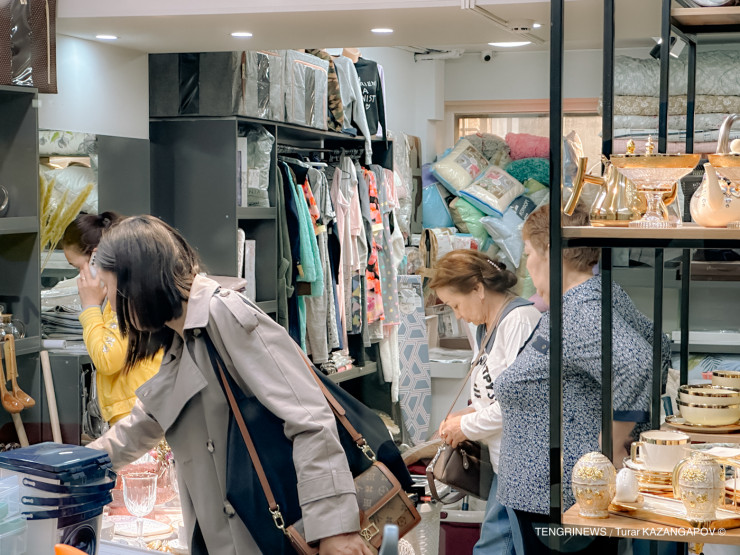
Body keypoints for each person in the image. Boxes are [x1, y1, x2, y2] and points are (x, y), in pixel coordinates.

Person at [88, 215, 371, 555]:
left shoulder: (223, 314)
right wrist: (70, 466)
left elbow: (309, 418)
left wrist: (336, 528)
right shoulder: (183, 338)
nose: (110, 304)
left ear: (136, 282)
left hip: (271, 534)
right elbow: (142, 425)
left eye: (110, 288)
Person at [493, 203, 665, 554]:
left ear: (549, 251)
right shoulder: (593, 296)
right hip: (552, 494)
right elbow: (657, 345)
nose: (527, 265)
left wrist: (612, 442)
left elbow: (637, 363)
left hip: (558, 499)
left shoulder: (580, 309)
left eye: (528, 253)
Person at [429, 250, 541, 555]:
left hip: (524, 468)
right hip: (506, 465)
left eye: (456, 305)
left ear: (478, 289)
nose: (458, 315)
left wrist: (465, 426)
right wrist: (462, 417)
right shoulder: (486, 327)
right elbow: (493, 397)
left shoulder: (520, 321)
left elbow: (520, 404)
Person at [61, 212, 162, 425]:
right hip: (137, 411)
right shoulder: (119, 295)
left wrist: (90, 307)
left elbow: (107, 359)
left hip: (140, 416)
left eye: (78, 267)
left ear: (96, 257)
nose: (80, 277)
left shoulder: (127, 297)